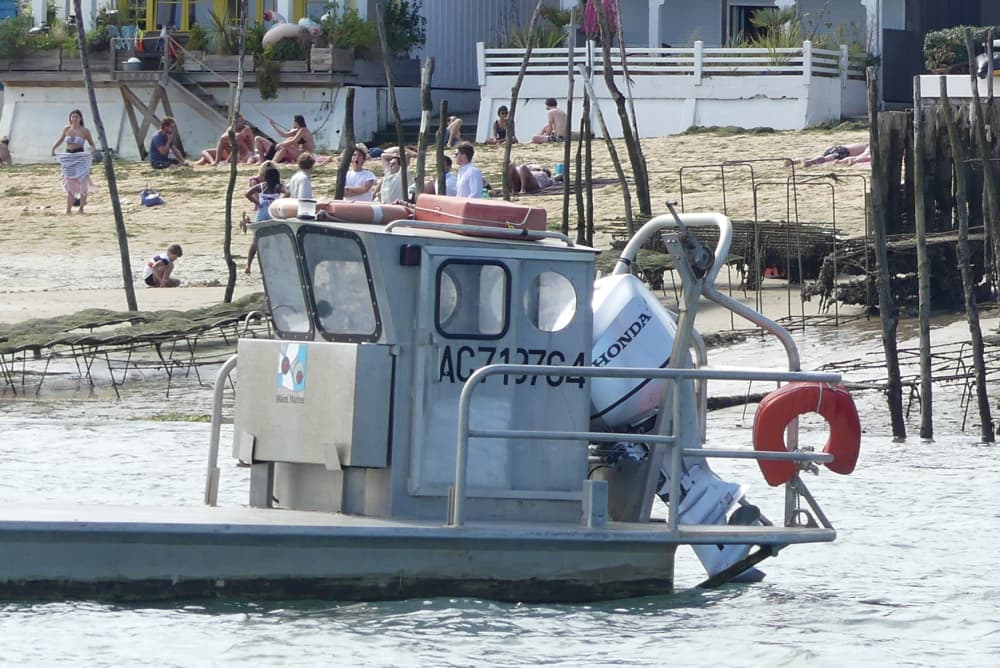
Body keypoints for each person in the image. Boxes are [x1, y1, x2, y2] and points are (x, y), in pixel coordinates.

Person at [50, 109, 97, 214]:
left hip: (80, 156)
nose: (74, 118)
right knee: (69, 182)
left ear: (80, 118)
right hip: (68, 157)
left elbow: (92, 143)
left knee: (83, 182)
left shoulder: (84, 131)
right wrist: (53, 148)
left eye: (76, 116)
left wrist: (93, 150)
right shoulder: (66, 129)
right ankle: (68, 210)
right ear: (70, 118)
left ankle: (81, 209)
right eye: (73, 116)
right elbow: (61, 139)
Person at [244, 163, 288, 273]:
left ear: (265, 177)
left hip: (262, 212)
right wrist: (279, 201)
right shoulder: (278, 187)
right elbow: (288, 193)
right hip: (273, 213)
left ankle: (248, 265)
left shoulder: (262, 186)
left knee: (256, 240)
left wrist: (257, 202)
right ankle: (278, 262)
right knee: (276, 239)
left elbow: (247, 194)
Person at [798, 143, 868, 167]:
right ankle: (809, 161)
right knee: (824, 159)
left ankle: (796, 161)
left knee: (824, 157)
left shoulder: (863, 144)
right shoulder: (869, 146)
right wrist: (855, 160)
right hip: (844, 151)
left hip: (837, 148)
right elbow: (863, 156)